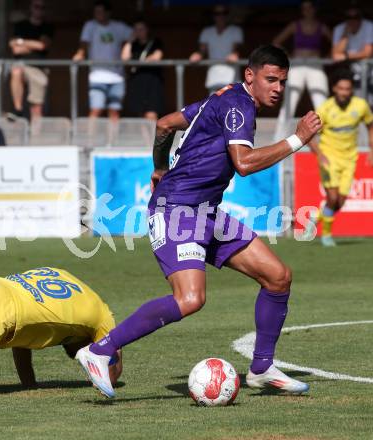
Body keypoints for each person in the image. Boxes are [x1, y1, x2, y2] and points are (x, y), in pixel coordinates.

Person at [76, 45, 322, 398]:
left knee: (278, 277)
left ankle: (261, 367)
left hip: (205, 211)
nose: (278, 88)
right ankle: (99, 350)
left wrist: (159, 166)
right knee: (190, 298)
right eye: (271, 79)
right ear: (249, 76)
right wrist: (298, 138)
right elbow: (245, 163)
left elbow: (165, 124)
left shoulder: (222, 98)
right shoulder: (237, 105)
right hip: (176, 209)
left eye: (283, 81)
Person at [0, 267, 122, 399]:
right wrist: (103, 353)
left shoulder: (65, 276)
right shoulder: (101, 317)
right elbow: (113, 376)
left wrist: (29, 385)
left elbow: (23, 337)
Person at [301, 71, 373, 246]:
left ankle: (315, 216)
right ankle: (326, 236)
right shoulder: (325, 109)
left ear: (351, 91)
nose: (344, 92)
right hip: (329, 157)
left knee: (340, 202)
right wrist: (320, 154)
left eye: (347, 89)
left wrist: (371, 149)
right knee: (332, 198)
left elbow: (370, 125)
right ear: (334, 89)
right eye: (340, 88)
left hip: (350, 159)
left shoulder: (360, 105)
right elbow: (308, 134)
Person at [273, 0, 332, 139]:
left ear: (314, 9)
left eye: (309, 8)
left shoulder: (321, 26)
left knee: (321, 101)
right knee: (289, 101)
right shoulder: (295, 25)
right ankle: (278, 138)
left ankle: (328, 138)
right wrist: (287, 56)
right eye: (304, 8)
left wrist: (328, 57)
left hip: (315, 63)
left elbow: (335, 42)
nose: (307, 11)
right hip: (297, 64)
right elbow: (276, 42)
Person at [73, 1, 132, 121]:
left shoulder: (118, 26)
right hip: (97, 76)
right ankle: (90, 140)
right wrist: (80, 54)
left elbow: (135, 33)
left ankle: (112, 140)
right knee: (96, 109)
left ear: (108, 13)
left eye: (100, 12)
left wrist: (127, 47)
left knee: (114, 111)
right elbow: (84, 44)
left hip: (117, 76)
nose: (97, 14)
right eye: (96, 12)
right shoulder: (90, 26)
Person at [9, 0, 53, 120]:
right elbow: (15, 50)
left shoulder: (47, 27)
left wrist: (22, 42)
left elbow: (43, 45)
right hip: (22, 65)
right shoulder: (20, 25)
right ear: (31, 8)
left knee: (37, 108)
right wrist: (34, 45)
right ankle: (17, 109)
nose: (39, 9)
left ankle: (36, 136)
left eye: (42, 7)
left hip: (39, 68)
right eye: (36, 6)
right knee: (16, 71)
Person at [189, 4, 243, 95]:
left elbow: (237, 48)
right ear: (213, 15)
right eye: (217, 13)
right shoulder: (206, 32)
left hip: (232, 80)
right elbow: (202, 51)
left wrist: (235, 54)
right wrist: (197, 55)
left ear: (228, 15)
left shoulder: (236, 30)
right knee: (215, 108)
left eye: (224, 13)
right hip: (213, 80)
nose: (221, 16)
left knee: (232, 108)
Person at [122, 19, 165, 120]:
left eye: (141, 29)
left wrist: (139, 63)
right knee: (140, 113)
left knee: (151, 113)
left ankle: (152, 136)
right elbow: (124, 58)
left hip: (152, 81)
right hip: (137, 81)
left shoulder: (155, 42)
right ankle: (146, 136)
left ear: (147, 30)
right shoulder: (133, 44)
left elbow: (157, 57)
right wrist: (129, 41)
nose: (139, 32)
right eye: (136, 29)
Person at [332, 2, 373, 105]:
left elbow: (368, 53)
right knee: (358, 105)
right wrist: (346, 33)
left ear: (361, 17)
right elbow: (335, 55)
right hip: (352, 74)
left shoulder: (369, 26)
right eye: (349, 17)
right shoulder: (339, 29)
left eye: (356, 17)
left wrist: (346, 56)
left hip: (370, 73)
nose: (352, 20)